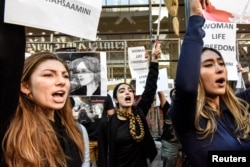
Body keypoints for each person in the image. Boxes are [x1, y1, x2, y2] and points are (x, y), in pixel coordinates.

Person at [170, 0, 250, 167]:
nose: (219, 68)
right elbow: (186, 87)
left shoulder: (237, 107)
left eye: (221, 63)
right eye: (208, 65)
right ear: (195, 75)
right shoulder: (188, 119)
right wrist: (196, 17)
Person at [2, 52, 90, 167]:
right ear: (25, 86)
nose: (62, 81)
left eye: (65, 76)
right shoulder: (10, 130)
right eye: (48, 75)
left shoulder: (76, 130)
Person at [97, 43, 161, 167]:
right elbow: (103, 155)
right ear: (115, 99)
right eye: (122, 91)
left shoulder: (140, 112)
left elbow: (150, 88)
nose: (127, 92)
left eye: (130, 90)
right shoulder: (107, 123)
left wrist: (154, 61)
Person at [71, 94, 115, 167]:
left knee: (104, 163)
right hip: (84, 139)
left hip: (103, 138)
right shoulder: (74, 95)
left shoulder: (105, 95)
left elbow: (111, 117)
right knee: (86, 163)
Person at [158, 90, 180, 167]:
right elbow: (161, 94)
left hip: (184, 145)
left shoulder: (188, 109)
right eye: (174, 94)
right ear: (171, 98)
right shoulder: (167, 107)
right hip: (170, 145)